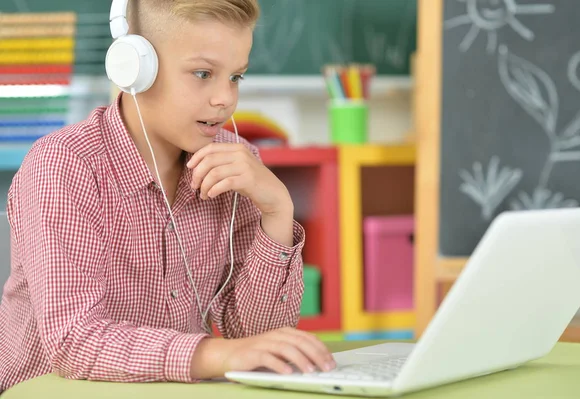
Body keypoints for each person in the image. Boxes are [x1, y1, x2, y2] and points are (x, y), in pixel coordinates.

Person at [0, 0, 334, 392]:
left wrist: (277, 211)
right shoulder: (65, 165)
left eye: (236, 77)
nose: (225, 98)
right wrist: (220, 355)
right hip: (53, 389)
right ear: (135, 69)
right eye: (203, 73)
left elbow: (256, 336)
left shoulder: (235, 165)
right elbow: (75, 340)